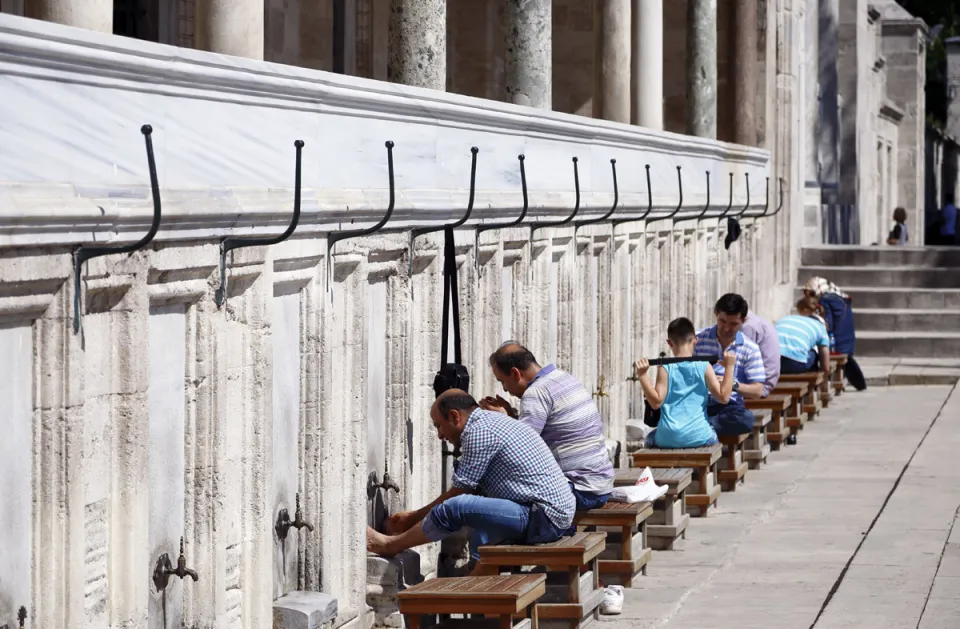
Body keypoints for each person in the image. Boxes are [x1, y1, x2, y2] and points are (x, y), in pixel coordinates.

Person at [370, 390, 575, 568]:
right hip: (552, 513)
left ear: (454, 416)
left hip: (544, 517)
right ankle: (478, 577)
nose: (440, 435)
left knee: (456, 507)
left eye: (439, 426)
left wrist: (411, 519)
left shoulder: (479, 432)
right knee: (478, 511)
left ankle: (389, 545)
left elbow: (460, 493)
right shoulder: (489, 421)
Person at [479, 343, 614, 511]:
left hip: (579, 490)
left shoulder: (536, 393)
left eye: (503, 381)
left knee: (490, 488)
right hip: (600, 486)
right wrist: (510, 415)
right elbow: (535, 433)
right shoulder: (563, 378)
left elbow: (520, 450)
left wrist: (500, 421)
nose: (505, 389)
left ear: (515, 373)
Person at [634, 317, 736, 449]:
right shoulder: (704, 366)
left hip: (668, 436)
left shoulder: (665, 368)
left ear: (669, 343)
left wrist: (642, 375)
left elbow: (656, 403)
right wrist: (729, 367)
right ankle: (705, 469)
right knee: (713, 434)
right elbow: (724, 397)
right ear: (695, 341)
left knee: (649, 439)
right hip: (700, 435)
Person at [693, 294, 766, 436]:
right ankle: (702, 425)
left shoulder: (750, 348)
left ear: (743, 321)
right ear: (715, 314)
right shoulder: (697, 339)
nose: (726, 328)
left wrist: (732, 385)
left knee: (745, 419)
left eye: (733, 324)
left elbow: (758, 391)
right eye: (722, 321)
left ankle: (700, 426)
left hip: (727, 408)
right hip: (698, 402)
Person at [802, 276, 866, 390]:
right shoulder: (840, 298)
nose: (811, 297)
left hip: (837, 341)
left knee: (815, 355)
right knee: (848, 362)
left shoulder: (825, 299)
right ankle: (860, 384)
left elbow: (828, 324)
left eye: (812, 293)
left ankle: (816, 387)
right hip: (848, 339)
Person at [775, 297, 831, 375]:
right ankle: (812, 382)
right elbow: (825, 358)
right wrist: (824, 372)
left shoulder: (784, 319)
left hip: (771, 362)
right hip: (795, 364)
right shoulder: (820, 326)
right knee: (814, 351)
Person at [740, 309, 781, 397]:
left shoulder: (748, 326)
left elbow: (741, 358)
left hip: (758, 385)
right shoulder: (758, 321)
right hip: (768, 379)